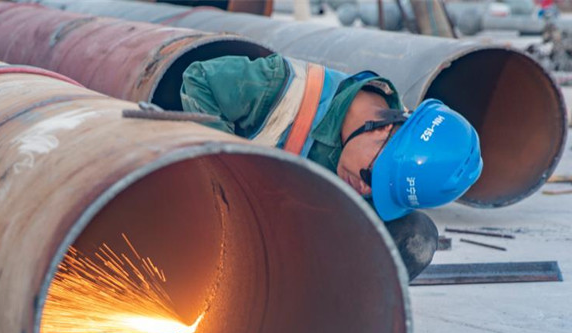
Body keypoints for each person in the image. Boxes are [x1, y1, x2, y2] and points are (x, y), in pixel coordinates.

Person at [180, 53, 483, 279]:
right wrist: (229, 171)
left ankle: (336, 326)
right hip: (221, 222)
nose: (366, 190)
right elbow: (198, 80)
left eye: (381, 193)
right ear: (380, 128)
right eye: (371, 177)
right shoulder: (283, 89)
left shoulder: (388, 163)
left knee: (416, 236)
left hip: (290, 241)